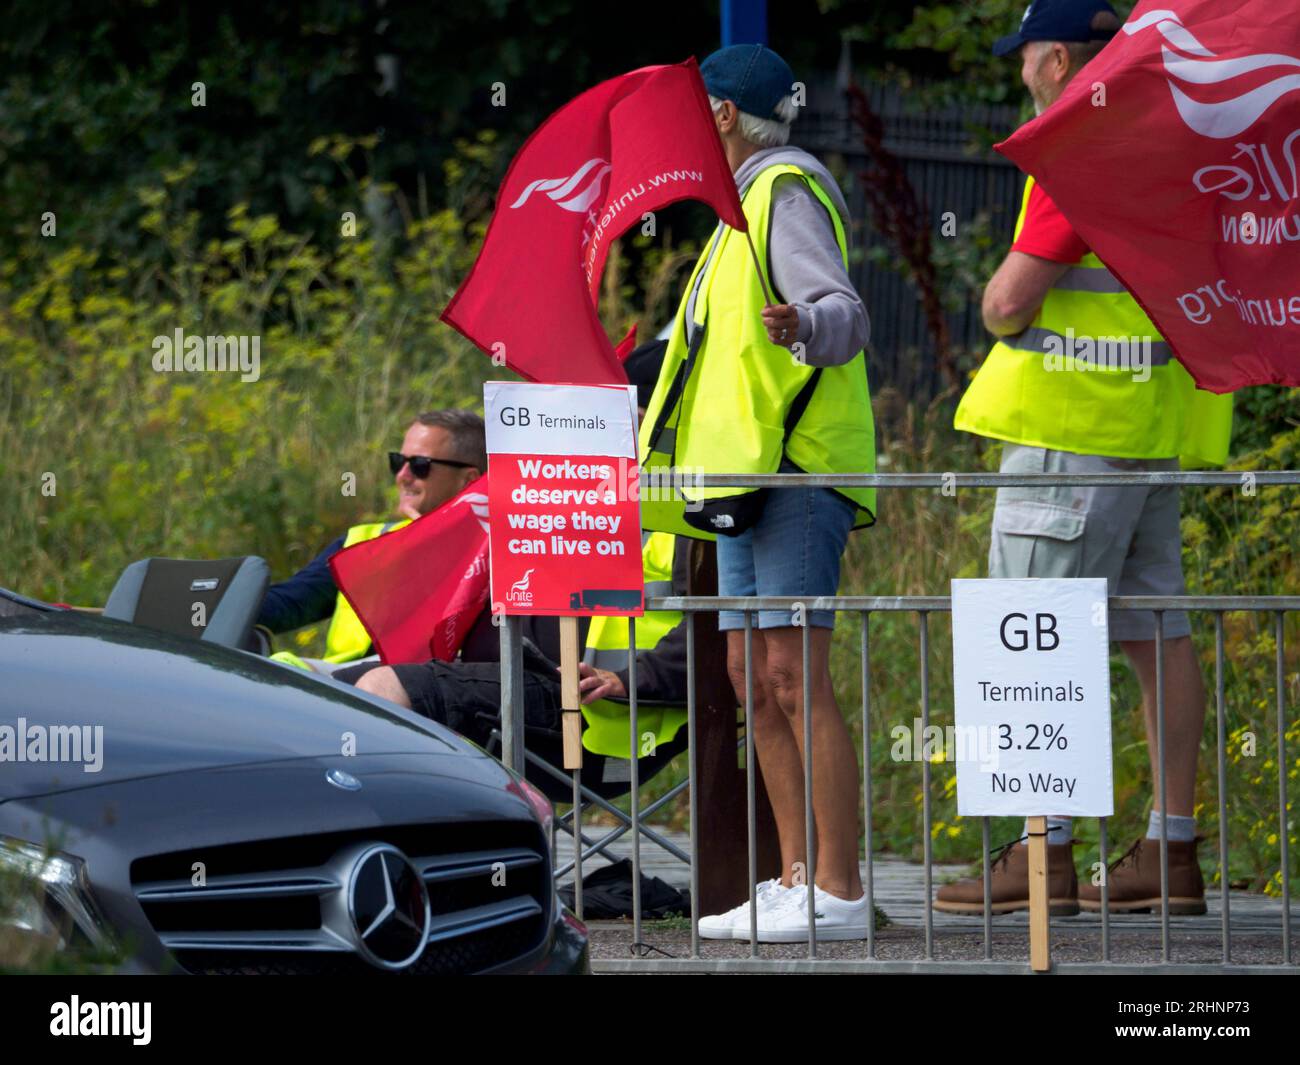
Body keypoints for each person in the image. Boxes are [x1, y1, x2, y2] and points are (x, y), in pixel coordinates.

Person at [936, 0, 1233, 917]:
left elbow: (1009, 303)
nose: (1019, 70)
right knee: (1158, 635)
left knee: (1027, 634)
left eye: (1024, 55)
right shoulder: (1180, 141)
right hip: (1151, 434)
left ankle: (1041, 857)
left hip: (1070, 440)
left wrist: (992, 293)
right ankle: (1169, 853)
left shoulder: (1079, 146)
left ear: (1058, 59)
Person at [638, 44, 877, 941]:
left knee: (791, 671)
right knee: (750, 675)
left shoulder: (783, 191)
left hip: (795, 470)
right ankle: (793, 879)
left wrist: (805, 322)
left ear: (726, 117)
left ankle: (842, 891)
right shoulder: (735, 211)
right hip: (741, 478)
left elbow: (844, 314)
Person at [258, 409, 486, 672]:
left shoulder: (491, 556)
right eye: (397, 461)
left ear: (469, 479)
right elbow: (289, 604)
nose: (403, 475)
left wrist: (427, 542)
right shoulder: (364, 539)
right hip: (336, 689)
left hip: (413, 695)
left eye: (420, 465)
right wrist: (223, 599)